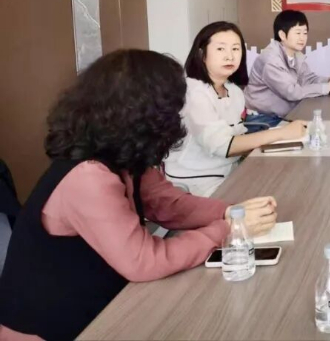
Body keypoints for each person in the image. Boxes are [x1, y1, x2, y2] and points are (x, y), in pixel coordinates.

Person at [0, 50, 279, 341]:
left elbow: (167, 204)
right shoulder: (88, 177)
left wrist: (230, 212)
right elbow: (145, 261)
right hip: (52, 328)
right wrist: (226, 230)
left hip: (103, 305)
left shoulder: (120, 152)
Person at [164, 22, 307, 196]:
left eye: (236, 49)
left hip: (231, 171)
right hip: (197, 181)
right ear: (202, 54)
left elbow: (239, 138)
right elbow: (222, 146)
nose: (230, 56)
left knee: (288, 184)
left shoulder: (234, 91)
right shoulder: (194, 92)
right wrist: (282, 133)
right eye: (220, 49)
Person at [245, 10, 330, 120]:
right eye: (298, 33)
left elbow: (307, 78)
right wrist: (327, 87)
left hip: (283, 114)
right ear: (282, 35)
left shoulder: (296, 55)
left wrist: (328, 81)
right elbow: (292, 92)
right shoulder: (271, 60)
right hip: (262, 118)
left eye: (305, 33)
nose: (302, 38)